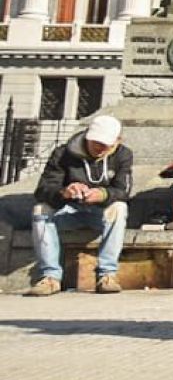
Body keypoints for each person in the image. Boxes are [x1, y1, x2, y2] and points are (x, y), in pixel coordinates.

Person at [26, 114, 132, 296]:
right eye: (96, 142)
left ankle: (107, 275)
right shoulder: (63, 153)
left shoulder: (123, 155)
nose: (100, 148)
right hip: (69, 209)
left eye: (106, 144)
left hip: (100, 212)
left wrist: (103, 194)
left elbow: (124, 190)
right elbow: (43, 189)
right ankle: (50, 277)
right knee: (40, 210)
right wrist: (64, 192)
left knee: (119, 208)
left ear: (117, 141)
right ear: (87, 137)